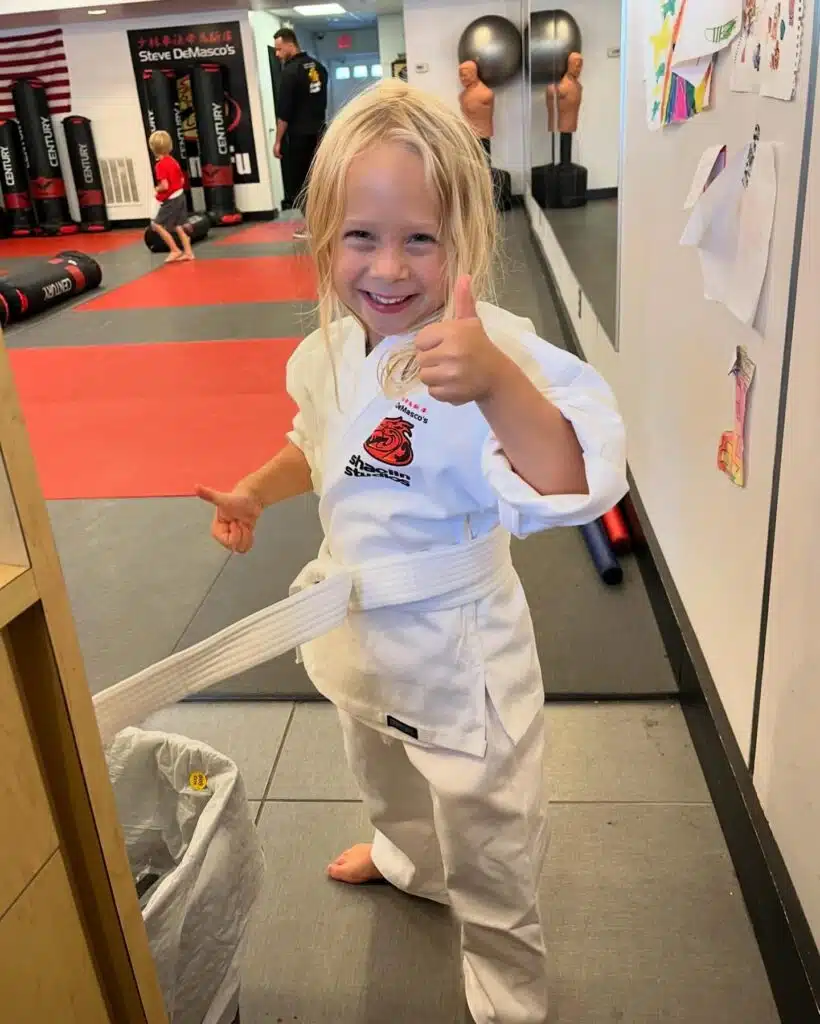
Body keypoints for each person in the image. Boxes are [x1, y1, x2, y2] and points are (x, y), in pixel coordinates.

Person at [196, 80, 626, 1024]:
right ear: (322, 242)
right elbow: (316, 443)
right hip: (362, 634)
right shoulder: (330, 352)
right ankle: (405, 864)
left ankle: (510, 995)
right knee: (380, 770)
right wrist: (253, 494)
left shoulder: (495, 348)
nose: (387, 268)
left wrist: (497, 386)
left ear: (464, 239)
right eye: (360, 236)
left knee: (491, 836)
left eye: (419, 240)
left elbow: (571, 480)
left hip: (460, 651)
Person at [273, 27, 327, 239]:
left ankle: (312, 226)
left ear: (290, 44)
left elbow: (284, 113)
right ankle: (323, 223)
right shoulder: (319, 68)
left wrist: (277, 141)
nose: (277, 54)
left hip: (300, 136)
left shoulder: (290, 72)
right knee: (319, 179)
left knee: (302, 183)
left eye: (279, 49)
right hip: (321, 133)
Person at [148, 130, 193, 264]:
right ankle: (188, 252)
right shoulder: (173, 161)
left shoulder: (160, 165)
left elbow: (165, 185)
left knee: (157, 224)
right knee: (178, 225)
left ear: (153, 148)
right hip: (180, 196)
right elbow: (182, 180)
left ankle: (174, 250)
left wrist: (157, 189)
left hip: (171, 199)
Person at [458, 59, 494, 160]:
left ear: (474, 73)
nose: (462, 79)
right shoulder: (462, 96)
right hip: (470, 135)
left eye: (465, 75)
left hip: (482, 136)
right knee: (473, 162)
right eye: (460, 75)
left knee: (483, 162)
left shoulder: (485, 94)